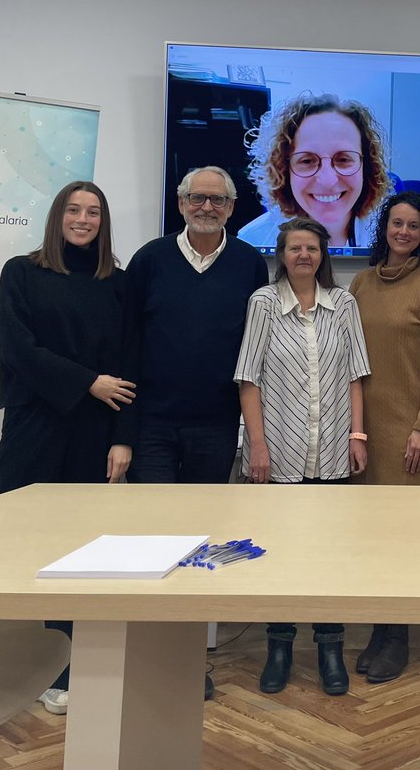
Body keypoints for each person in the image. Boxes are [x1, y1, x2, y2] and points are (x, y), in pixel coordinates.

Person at [0, 181, 136, 715]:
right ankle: (25, 655)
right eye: (74, 210)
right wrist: (86, 382)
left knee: (82, 548)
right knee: (21, 536)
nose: (83, 219)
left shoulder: (118, 284)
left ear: (103, 221)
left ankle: (72, 667)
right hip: (35, 426)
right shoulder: (21, 272)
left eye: (93, 211)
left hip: (97, 432)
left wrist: (124, 437)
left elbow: (130, 362)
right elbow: (20, 348)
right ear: (57, 217)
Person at [126, 165, 268, 698]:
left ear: (232, 208)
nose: (206, 207)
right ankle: (151, 653)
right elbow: (128, 340)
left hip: (216, 425)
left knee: (200, 543)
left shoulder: (250, 264)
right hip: (154, 423)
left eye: (217, 200)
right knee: (156, 535)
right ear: (181, 204)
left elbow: (257, 351)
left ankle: (189, 660)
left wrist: (252, 435)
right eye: (196, 198)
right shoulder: (150, 260)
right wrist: (125, 427)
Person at [234, 218, 370, 696]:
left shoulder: (345, 304)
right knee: (281, 555)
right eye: (295, 248)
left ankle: (331, 649)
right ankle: (280, 648)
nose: (304, 256)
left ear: (322, 253)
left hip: (332, 449)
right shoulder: (264, 303)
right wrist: (258, 445)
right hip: (280, 455)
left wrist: (358, 435)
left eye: (312, 248)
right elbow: (248, 380)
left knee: (330, 555)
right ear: (282, 253)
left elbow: (356, 375)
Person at [349, 190, 420, 683]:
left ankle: (398, 638)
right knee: (371, 540)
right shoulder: (361, 284)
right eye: (397, 224)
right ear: (384, 228)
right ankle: (377, 631)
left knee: (404, 541)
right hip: (361, 431)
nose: (403, 232)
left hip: (409, 435)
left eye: (413, 226)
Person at [238, 93, 391, 249]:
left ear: (366, 167)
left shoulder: (393, 236)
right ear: (283, 169)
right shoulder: (252, 241)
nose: (328, 180)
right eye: (307, 161)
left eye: (343, 159)